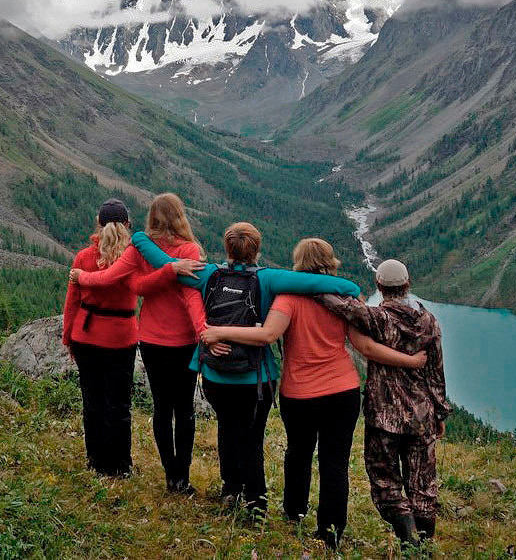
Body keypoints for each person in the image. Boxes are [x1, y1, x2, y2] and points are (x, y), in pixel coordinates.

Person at [200, 238, 428, 549]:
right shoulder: (345, 298)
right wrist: (412, 362)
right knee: (335, 463)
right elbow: (365, 347)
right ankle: (330, 532)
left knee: (298, 453)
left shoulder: (287, 299)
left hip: (300, 393)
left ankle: (294, 513)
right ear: (330, 260)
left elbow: (268, 336)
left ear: (298, 263)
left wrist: (217, 332)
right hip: (342, 390)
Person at [129, 222, 363, 516]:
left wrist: (138, 236)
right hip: (255, 377)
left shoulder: (207, 274)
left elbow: (161, 261)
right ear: (258, 249)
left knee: (226, 429)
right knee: (251, 437)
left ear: (227, 248)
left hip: (215, 373)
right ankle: (255, 501)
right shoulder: (269, 280)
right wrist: (352, 288)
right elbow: (321, 284)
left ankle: (231, 491)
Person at [70, 193, 208, 494]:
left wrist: (81, 277)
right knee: (180, 409)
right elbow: (183, 294)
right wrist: (202, 331)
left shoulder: (139, 248)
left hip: (145, 339)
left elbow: (118, 281)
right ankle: (173, 477)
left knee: (156, 408)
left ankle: (163, 472)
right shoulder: (187, 249)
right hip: (170, 339)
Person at [315, 259, 452, 548]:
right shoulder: (430, 321)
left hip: (384, 417)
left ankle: (408, 538)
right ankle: (423, 544)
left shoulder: (377, 318)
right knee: (423, 483)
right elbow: (436, 369)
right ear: (408, 284)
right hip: (421, 415)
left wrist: (308, 285)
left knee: (385, 480)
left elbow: (338, 305)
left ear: (379, 286)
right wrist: (440, 412)